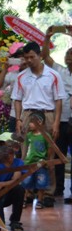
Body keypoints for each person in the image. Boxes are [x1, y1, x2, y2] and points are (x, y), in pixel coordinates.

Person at [11, 41, 66, 206]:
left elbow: (58, 101)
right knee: (25, 154)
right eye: (26, 57)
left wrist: (56, 123)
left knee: (48, 155)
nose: (28, 60)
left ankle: (47, 193)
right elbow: (17, 100)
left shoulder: (54, 75)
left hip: (47, 115)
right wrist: (19, 119)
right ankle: (26, 192)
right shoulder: (21, 76)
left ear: (40, 56)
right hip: (28, 115)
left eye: (31, 57)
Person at [42, 27, 72, 200]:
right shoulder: (60, 71)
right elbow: (45, 57)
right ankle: (58, 189)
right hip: (60, 120)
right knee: (59, 155)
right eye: (67, 53)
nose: (68, 56)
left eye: (71, 53)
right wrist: (48, 37)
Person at [0, 144, 26, 231]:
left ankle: (15, 221)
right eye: (8, 154)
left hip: (8, 193)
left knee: (19, 189)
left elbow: (15, 180)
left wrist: (1, 184)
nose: (11, 156)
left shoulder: (18, 162)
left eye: (12, 154)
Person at [21, 112, 51, 209]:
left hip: (41, 163)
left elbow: (49, 149)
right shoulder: (29, 135)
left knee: (41, 182)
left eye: (31, 122)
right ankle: (24, 198)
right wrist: (23, 159)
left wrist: (48, 160)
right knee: (26, 182)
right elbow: (25, 147)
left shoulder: (46, 136)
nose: (29, 124)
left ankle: (40, 200)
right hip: (29, 163)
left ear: (40, 122)